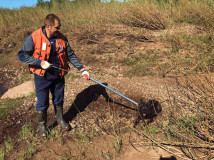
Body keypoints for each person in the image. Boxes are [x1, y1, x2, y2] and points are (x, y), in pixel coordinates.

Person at [18, 14, 90, 136]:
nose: (59, 30)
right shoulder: (34, 37)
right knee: (42, 102)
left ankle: (60, 119)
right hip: (42, 77)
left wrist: (82, 69)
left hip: (59, 75)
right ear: (48, 26)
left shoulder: (62, 38)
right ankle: (43, 126)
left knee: (59, 98)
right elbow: (22, 55)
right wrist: (39, 62)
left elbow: (70, 55)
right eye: (57, 27)